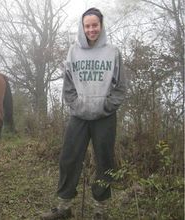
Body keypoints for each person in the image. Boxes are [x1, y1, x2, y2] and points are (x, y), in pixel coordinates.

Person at [41, 7, 127, 220]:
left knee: (104, 161)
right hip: (78, 117)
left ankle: (100, 210)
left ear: (101, 25)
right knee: (69, 159)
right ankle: (63, 207)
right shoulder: (73, 52)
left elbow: (121, 87)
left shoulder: (113, 52)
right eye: (87, 26)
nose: (91, 29)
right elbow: (68, 86)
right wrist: (76, 105)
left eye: (95, 25)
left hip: (104, 118)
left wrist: (107, 106)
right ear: (82, 27)